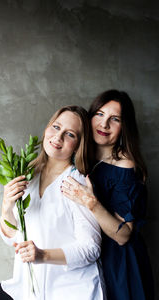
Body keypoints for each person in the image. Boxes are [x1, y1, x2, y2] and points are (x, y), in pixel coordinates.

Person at [0, 106, 106, 300]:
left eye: (70, 134)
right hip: (26, 287)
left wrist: (42, 255)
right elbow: (12, 239)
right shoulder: (28, 175)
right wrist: (6, 207)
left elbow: (91, 248)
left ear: (78, 145)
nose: (58, 138)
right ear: (47, 128)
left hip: (69, 290)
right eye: (56, 127)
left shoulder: (76, 183)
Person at [61, 90, 154, 300]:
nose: (104, 124)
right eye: (100, 114)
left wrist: (90, 202)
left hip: (119, 264)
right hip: (85, 255)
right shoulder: (79, 154)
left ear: (124, 127)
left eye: (115, 119)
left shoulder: (125, 166)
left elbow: (124, 236)